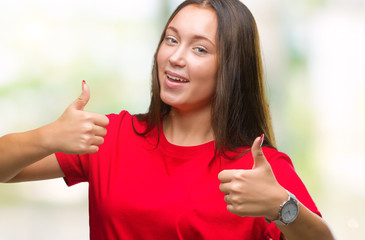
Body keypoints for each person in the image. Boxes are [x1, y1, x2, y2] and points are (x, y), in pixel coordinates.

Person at [0, 0, 335, 239]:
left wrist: (281, 205)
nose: (175, 57)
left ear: (231, 70)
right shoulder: (113, 136)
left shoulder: (258, 168)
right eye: (171, 39)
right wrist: (48, 136)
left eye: (199, 49)